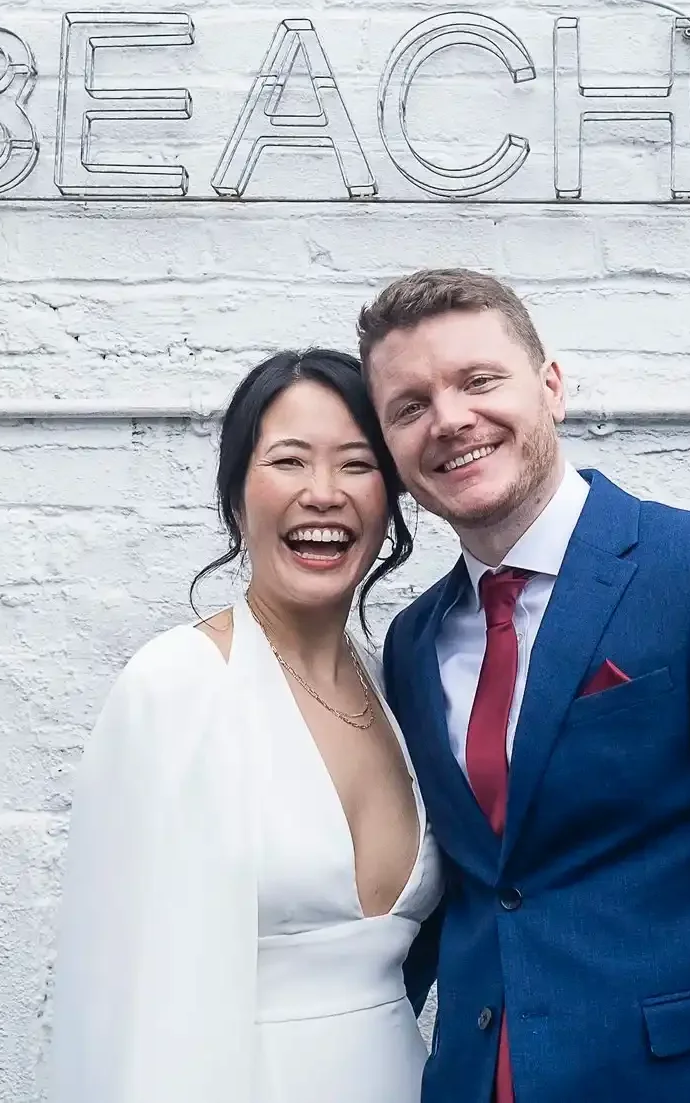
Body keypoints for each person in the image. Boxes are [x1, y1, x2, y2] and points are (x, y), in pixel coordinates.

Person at [362, 269, 690, 1103]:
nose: (449, 418)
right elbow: (466, 891)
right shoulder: (413, 641)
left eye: (478, 379)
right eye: (409, 405)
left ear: (552, 387)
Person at [52, 349, 442, 1103]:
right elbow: (117, 995)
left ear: (391, 497)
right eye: (289, 460)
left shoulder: (397, 685)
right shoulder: (175, 685)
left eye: (356, 464)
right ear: (237, 494)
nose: (322, 494)